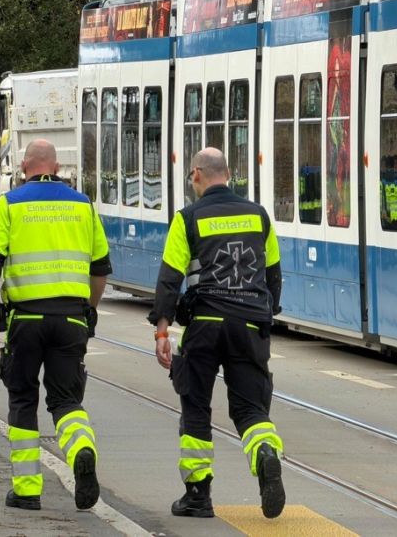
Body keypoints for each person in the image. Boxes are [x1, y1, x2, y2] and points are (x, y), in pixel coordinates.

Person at [0, 139, 111, 512]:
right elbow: (100, 269)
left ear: (23, 167)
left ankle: (27, 489)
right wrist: (90, 309)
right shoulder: (82, 205)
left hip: (26, 319)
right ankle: (81, 448)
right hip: (71, 318)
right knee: (66, 400)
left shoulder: (10, 203)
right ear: (58, 167)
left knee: (22, 399)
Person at [150, 147, 285, 519]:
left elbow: (169, 279)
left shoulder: (188, 218)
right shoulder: (259, 216)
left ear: (196, 174)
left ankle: (198, 496)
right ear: (228, 173)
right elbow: (273, 275)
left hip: (205, 325)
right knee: (250, 408)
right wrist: (265, 314)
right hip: (249, 325)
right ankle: (265, 452)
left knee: (195, 406)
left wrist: (162, 331)